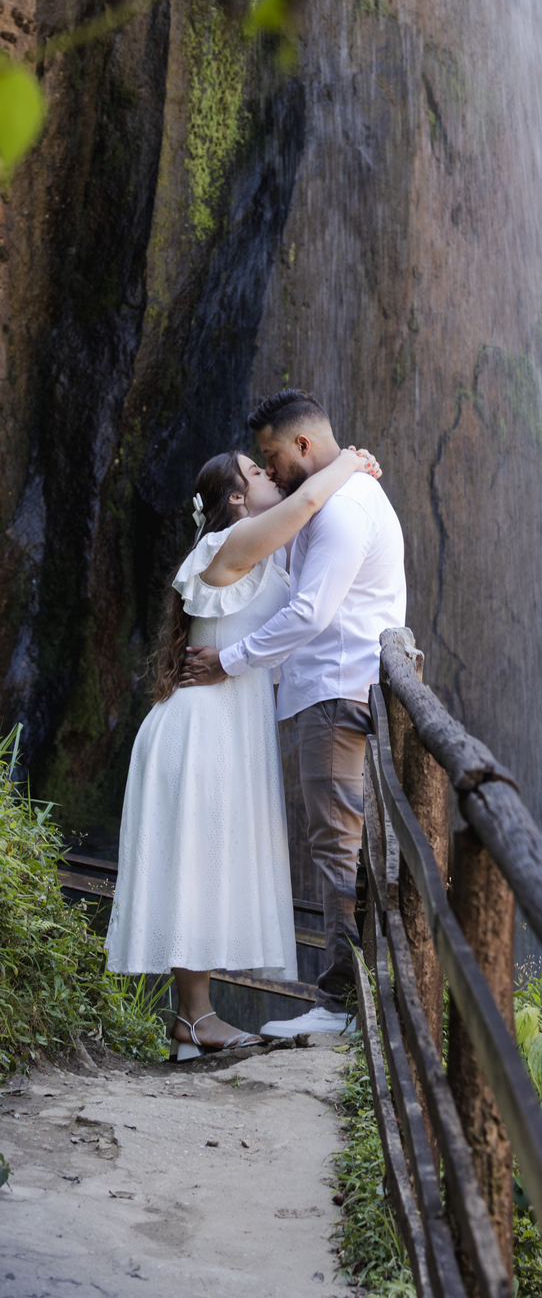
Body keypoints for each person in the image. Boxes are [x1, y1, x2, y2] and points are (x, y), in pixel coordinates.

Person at [106, 441, 380, 1058]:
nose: (269, 472)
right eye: (257, 471)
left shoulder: (268, 560)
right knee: (197, 866)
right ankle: (196, 1020)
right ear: (236, 498)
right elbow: (311, 498)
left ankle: (192, 1024)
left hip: (226, 730)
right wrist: (352, 461)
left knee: (208, 865)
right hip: (199, 731)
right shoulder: (222, 549)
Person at [180, 389, 406, 1037]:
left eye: (271, 456)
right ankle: (353, 996)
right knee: (342, 843)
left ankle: (340, 1004)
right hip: (330, 693)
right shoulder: (335, 499)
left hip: (336, 695)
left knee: (337, 845)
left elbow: (311, 613)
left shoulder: (344, 510)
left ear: (303, 445)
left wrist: (230, 661)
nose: (269, 469)